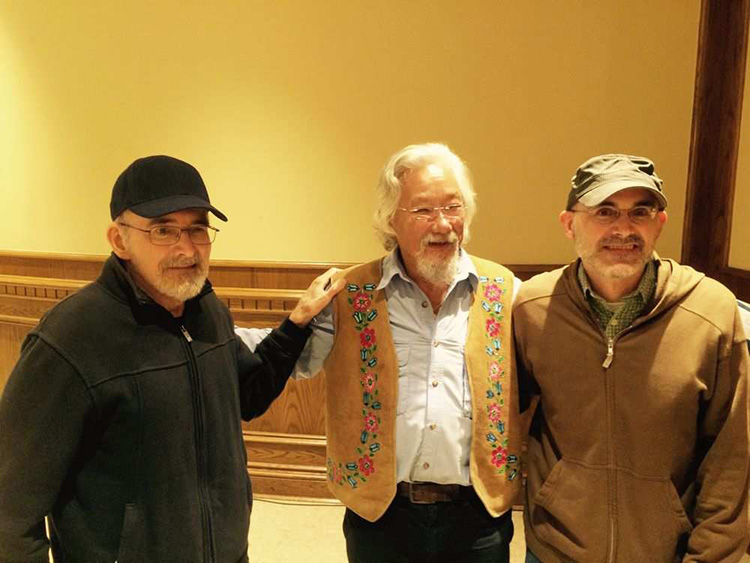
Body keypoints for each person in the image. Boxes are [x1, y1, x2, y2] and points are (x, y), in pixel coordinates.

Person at [0, 155, 344, 562]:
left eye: (197, 229)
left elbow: (246, 395)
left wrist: (297, 323)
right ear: (119, 239)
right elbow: (11, 508)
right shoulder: (70, 337)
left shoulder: (206, 309)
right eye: (164, 230)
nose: (186, 248)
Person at [239, 143, 522, 562]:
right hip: (381, 515)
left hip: (478, 516)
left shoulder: (506, 292)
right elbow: (291, 363)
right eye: (423, 210)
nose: (442, 224)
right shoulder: (347, 294)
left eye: (453, 207)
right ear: (391, 218)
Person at [513, 154, 750, 562]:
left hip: (667, 552)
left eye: (640, 211)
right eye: (604, 211)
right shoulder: (533, 308)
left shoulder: (711, 312)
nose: (623, 228)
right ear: (569, 224)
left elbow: (732, 458)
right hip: (555, 550)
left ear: (659, 223)